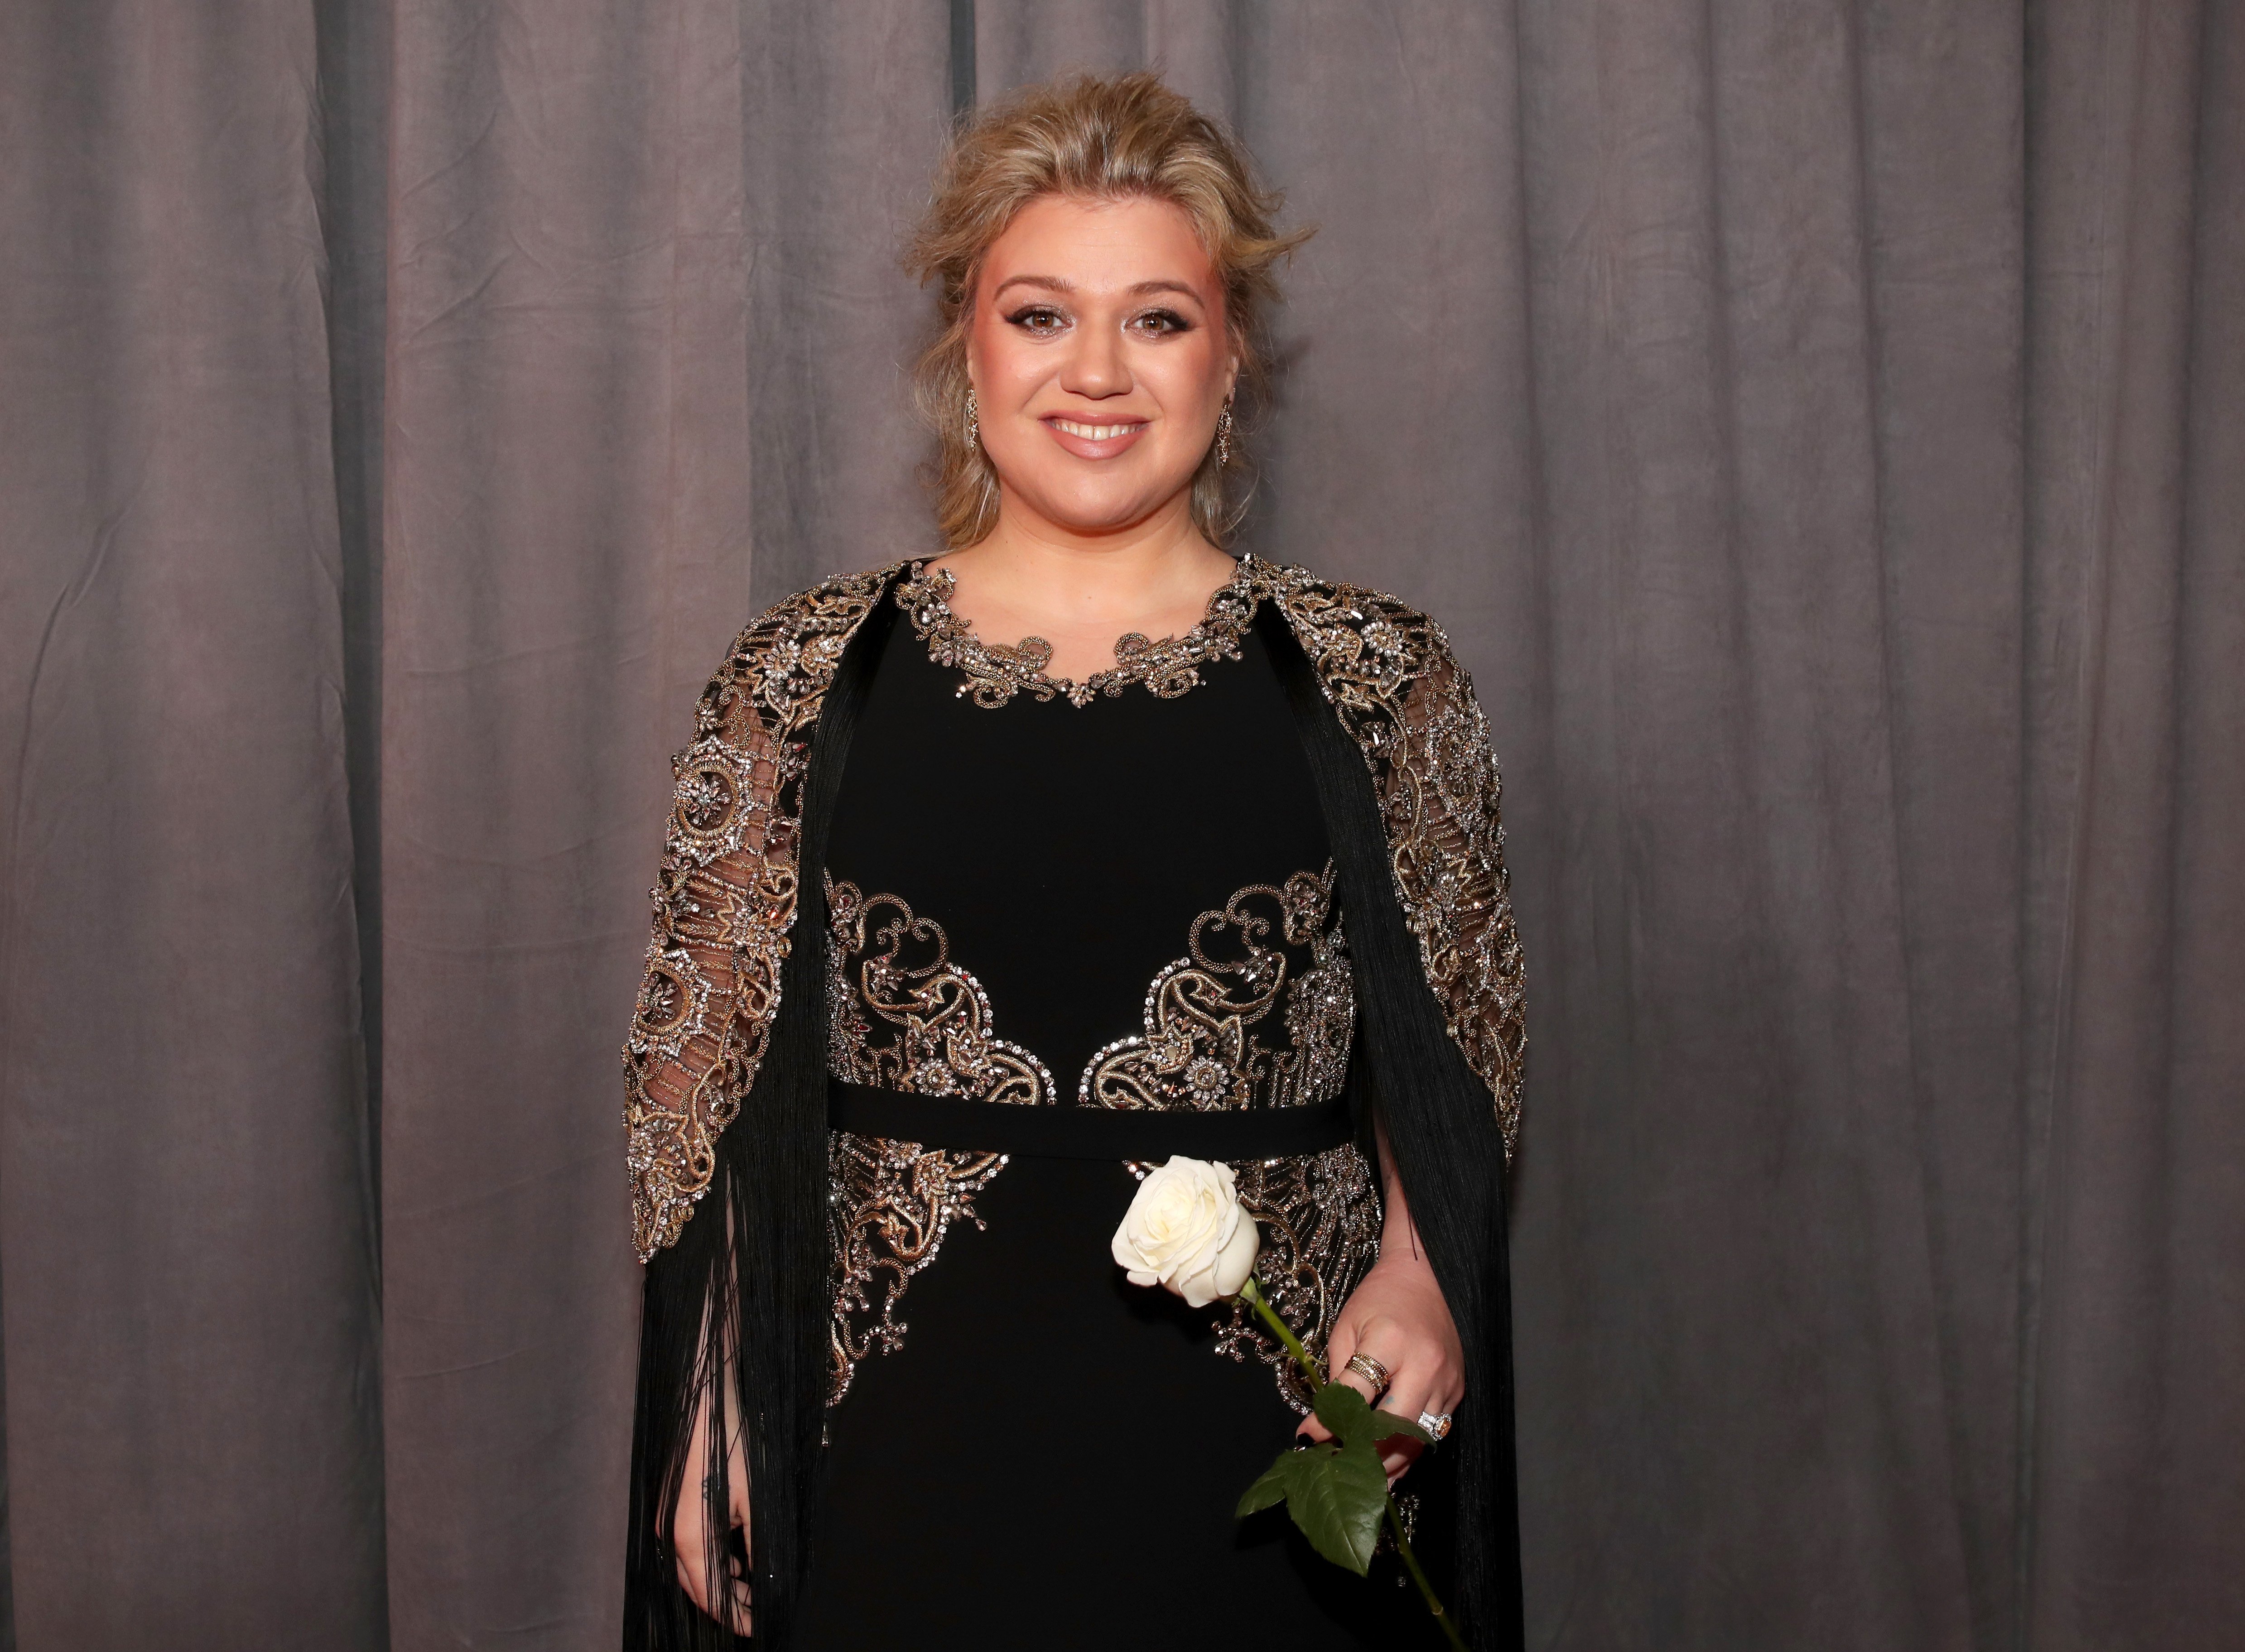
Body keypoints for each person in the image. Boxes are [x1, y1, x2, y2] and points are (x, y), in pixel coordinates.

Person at [620, 71, 1525, 1652]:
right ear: (962, 351)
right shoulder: (796, 680)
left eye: (1158, 320)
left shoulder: (1376, 679)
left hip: (1264, 1474)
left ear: (1228, 356)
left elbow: (1461, 1055)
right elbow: (703, 1094)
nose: (1096, 372)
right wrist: (709, 1398)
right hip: (882, 1457)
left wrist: (1420, 1271)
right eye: (1040, 315)